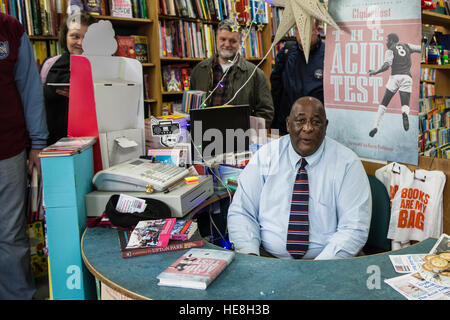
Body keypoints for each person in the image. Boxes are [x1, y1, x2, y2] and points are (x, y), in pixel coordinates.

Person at [227, 97, 372, 260]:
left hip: (327, 262)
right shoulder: (265, 156)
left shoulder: (347, 163)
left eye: (316, 122)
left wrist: (319, 270)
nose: (308, 128)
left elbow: (354, 228)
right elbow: (242, 211)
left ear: (326, 127)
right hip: (267, 258)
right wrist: (251, 255)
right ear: (288, 124)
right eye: (300, 120)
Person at [0, 12, 48, 299]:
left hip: (8, 151)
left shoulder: (11, 30)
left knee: (11, 236)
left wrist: (38, 143)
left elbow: (30, 88)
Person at [189, 19, 274, 129]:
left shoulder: (255, 74)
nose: (227, 44)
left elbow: (266, 112)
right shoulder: (199, 70)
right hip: (204, 136)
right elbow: (191, 108)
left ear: (240, 43)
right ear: (216, 40)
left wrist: (249, 135)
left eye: (233, 41)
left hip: (239, 139)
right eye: (223, 39)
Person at [40, 10, 95, 145]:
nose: (81, 43)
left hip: (91, 143)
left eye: (87, 38)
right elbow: (38, 105)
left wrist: (82, 96)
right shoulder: (49, 64)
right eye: (75, 36)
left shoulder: (105, 67)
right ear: (65, 36)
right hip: (54, 143)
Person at [270, 19, 324, 136]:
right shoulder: (287, 52)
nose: (301, 34)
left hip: (315, 127)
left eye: (306, 30)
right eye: (298, 30)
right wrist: (274, 126)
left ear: (317, 30)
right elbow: (276, 90)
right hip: (287, 125)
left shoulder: (328, 54)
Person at [368, 33, 421, 137]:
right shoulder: (407, 46)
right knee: (405, 103)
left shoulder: (390, 50)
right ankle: (405, 113)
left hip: (395, 77)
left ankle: (375, 126)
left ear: (392, 40)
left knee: (384, 103)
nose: (385, 42)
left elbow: (386, 66)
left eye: (387, 40)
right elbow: (420, 48)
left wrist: (375, 72)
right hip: (407, 77)